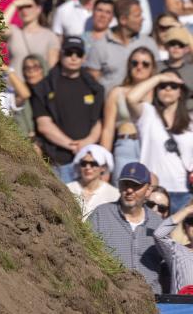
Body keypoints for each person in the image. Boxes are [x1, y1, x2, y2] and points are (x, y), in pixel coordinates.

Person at [30, 35, 104, 181]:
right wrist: (72, 145)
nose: (74, 57)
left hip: (89, 163)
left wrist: (86, 143)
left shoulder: (95, 87)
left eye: (79, 53)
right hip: (57, 161)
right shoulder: (44, 87)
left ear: (84, 58)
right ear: (61, 54)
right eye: (69, 52)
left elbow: (99, 122)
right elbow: (44, 125)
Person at [88, 162, 164, 294]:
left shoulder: (158, 223)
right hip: (113, 298)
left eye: (136, 186)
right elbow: (86, 255)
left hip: (152, 300)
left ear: (148, 190)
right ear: (118, 186)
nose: (129, 190)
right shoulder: (101, 215)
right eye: (125, 184)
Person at [126, 68, 193, 212]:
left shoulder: (190, 121)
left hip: (184, 192)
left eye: (173, 86)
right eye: (163, 85)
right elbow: (131, 98)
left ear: (180, 91)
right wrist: (158, 78)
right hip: (152, 192)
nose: (168, 88)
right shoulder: (147, 113)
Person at [100, 47, 157, 180]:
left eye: (145, 64)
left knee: (152, 190)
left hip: (153, 146)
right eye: (134, 63)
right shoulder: (117, 92)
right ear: (129, 65)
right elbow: (108, 130)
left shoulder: (160, 92)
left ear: (152, 68)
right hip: (127, 145)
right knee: (124, 189)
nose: (139, 67)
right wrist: (104, 164)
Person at [85, 0, 158, 92]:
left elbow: (156, 75)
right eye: (137, 15)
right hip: (109, 104)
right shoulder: (100, 46)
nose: (142, 19)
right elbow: (92, 82)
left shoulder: (149, 43)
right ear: (123, 20)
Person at [1, 0, 60, 77]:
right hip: (13, 87)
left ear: (38, 9)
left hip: (38, 88)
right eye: (21, 7)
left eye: (28, 6)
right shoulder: (14, 31)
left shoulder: (50, 36)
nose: (24, 11)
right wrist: (14, 4)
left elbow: (52, 69)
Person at [66, 144, 119, 220]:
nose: (88, 167)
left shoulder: (114, 194)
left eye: (93, 164)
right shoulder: (68, 189)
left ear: (103, 168)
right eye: (84, 164)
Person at [154, 200, 193, 293]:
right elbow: (159, 234)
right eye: (192, 221)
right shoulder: (177, 251)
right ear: (185, 228)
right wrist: (187, 210)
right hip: (181, 307)